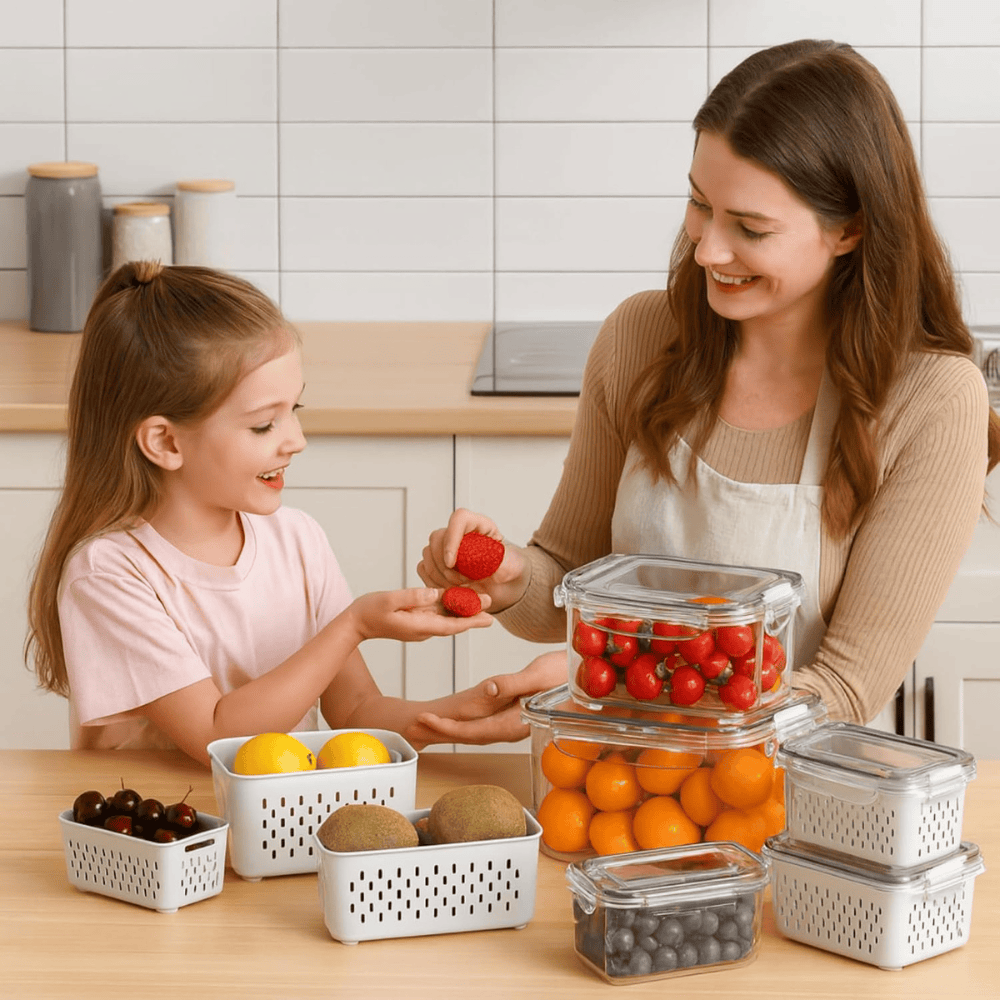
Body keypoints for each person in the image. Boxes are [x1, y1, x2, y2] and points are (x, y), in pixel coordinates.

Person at [418, 39, 1000, 728]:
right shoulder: (640, 337)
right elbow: (567, 589)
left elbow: (844, 692)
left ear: (850, 230)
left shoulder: (931, 399)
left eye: (750, 228)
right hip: (609, 786)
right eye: (699, 205)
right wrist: (509, 576)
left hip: (785, 804)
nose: (707, 250)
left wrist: (619, 691)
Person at [24, 260, 553, 766]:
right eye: (263, 425)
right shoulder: (111, 572)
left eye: (293, 411)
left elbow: (355, 713)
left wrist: (458, 714)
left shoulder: (295, 539)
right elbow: (216, 733)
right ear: (164, 441)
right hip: (163, 842)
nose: (295, 441)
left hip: (281, 830)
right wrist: (353, 627)